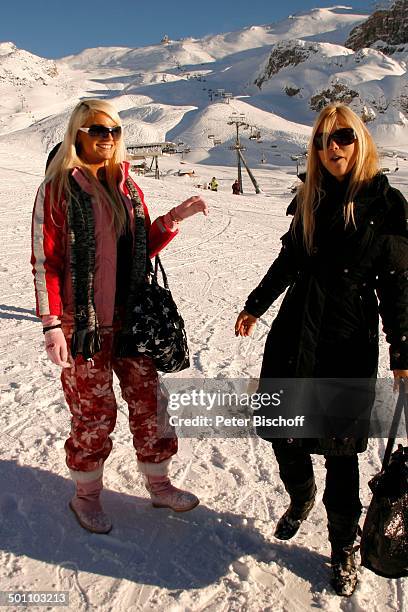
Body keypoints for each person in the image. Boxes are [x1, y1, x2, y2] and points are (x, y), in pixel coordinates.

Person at [235, 103, 408, 596]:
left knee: (340, 455)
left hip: (347, 340)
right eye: (322, 140)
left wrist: (403, 349)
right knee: (281, 434)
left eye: (343, 137)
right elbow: (290, 258)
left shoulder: (385, 204)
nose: (332, 147)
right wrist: (256, 305)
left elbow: (398, 284)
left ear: (361, 142)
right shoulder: (308, 198)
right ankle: (300, 495)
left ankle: (343, 547)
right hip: (293, 333)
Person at [31, 99, 208, 534]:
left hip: (133, 321)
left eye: (112, 130)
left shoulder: (128, 185)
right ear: (78, 133)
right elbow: (45, 263)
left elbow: (138, 248)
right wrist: (52, 324)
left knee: (150, 403)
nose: (106, 138)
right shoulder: (57, 189)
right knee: (93, 413)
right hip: (83, 325)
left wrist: (171, 220)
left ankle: (159, 484)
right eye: (96, 130)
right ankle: (86, 495)